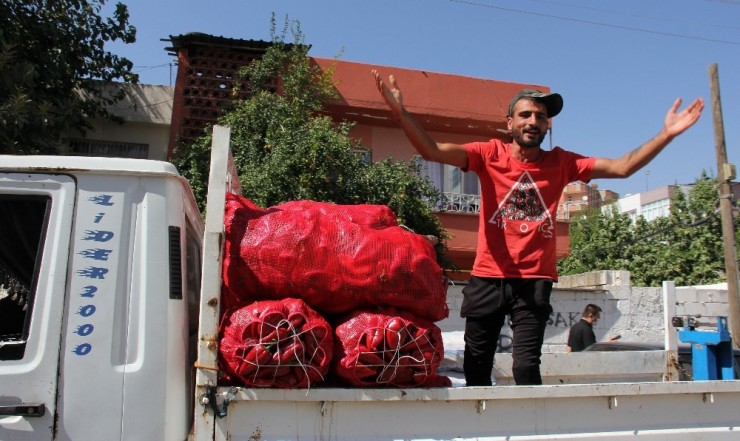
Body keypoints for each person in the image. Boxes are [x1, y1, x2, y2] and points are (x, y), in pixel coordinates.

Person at [372, 69, 704, 386]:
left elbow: (622, 167)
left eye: (541, 117)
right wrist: (400, 112)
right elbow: (431, 150)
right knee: (476, 364)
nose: (533, 121)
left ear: (547, 125)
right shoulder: (489, 154)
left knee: (527, 366)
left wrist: (667, 134)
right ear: (510, 122)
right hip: (488, 276)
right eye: (526, 114)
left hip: (533, 281)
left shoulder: (562, 162)